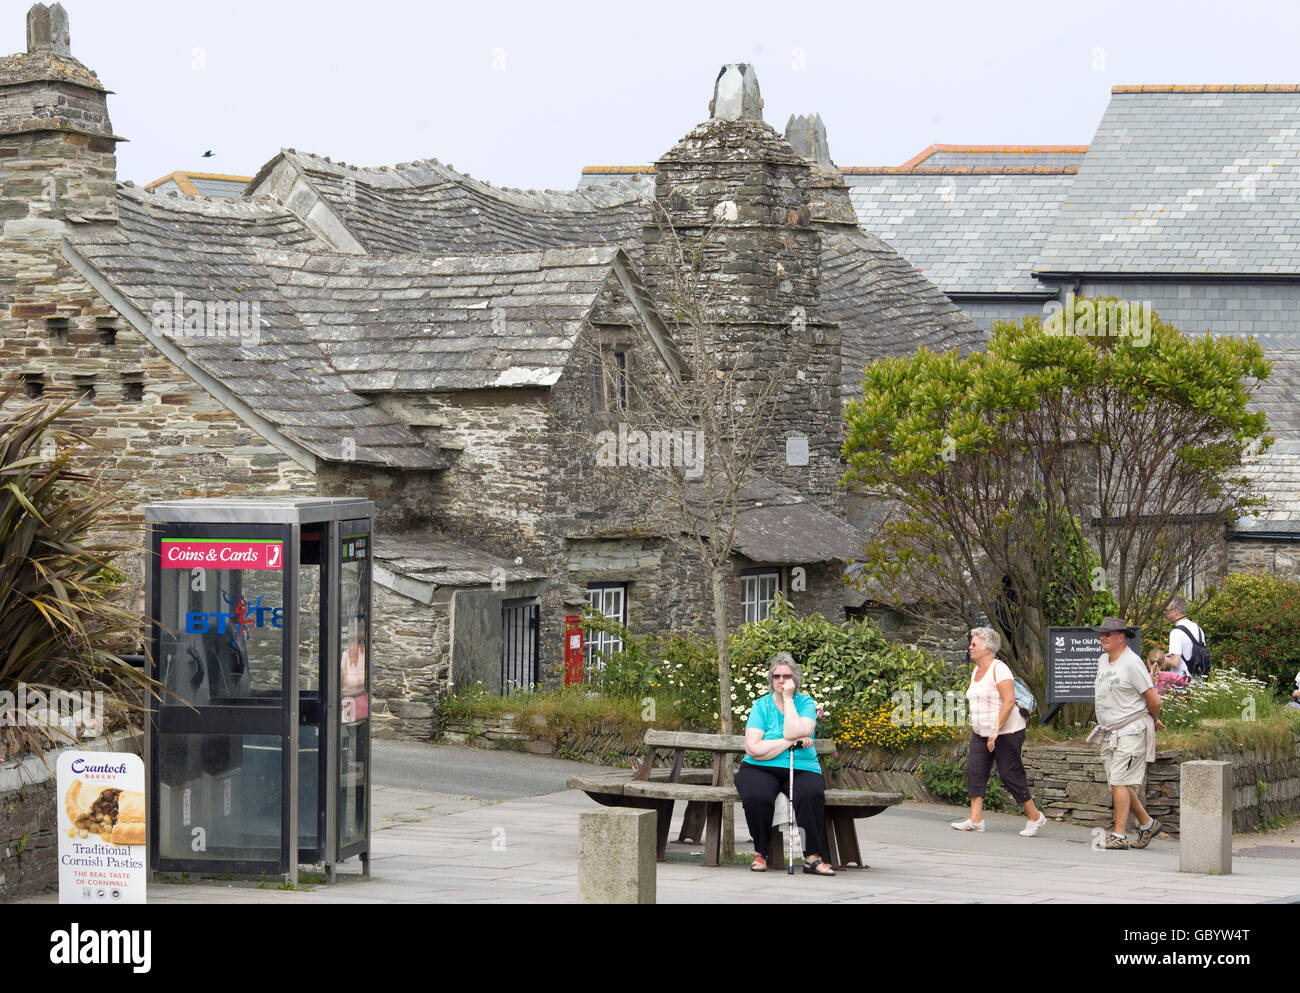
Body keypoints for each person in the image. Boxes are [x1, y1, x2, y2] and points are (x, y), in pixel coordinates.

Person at [735, 651, 835, 875]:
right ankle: (761, 853)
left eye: (786, 676)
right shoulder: (761, 706)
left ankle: (812, 858)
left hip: (801, 766)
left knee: (810, 794)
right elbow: (753, 748)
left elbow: (798, 729)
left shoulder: (806, 703)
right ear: (771, 679)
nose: (781, 681)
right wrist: (790, 741)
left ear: (795, 679)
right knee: (757, 796)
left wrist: (789, 700)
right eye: (776, 676)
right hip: (759, 767)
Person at [950, 627, 1047, 836]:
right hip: (981, 732)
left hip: (1007, 731)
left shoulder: (999, 669)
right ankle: (975, 819)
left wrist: (995, 729)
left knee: (1009, 774)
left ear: (987, 649)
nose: (970, 647)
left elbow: (1009, 701)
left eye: (974, 644)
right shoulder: (976, 670)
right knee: (975, 771)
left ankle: (1035, 816)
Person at [1086, 617, 1165, 850]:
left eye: (1108, 634)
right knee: (1117, 782)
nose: (1102, 638)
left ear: (1122, 636)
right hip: (1111, 732)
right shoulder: (1103, 660)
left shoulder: (1132, 663)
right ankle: (1147, 824)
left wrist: (1152, 719)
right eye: (1101, 634)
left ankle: (1119, 836)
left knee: (1119, 780)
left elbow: (1154, 699)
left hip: (1130, 731)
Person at [1164, 596, 1204, 679]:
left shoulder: (1176, 632)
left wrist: (1162, 658)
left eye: (1167, 610)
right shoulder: (1198, 628)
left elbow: (1176, 662)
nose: (1165, 613)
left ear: (1175, 611)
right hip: (1198, 681)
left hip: (1181, 681)